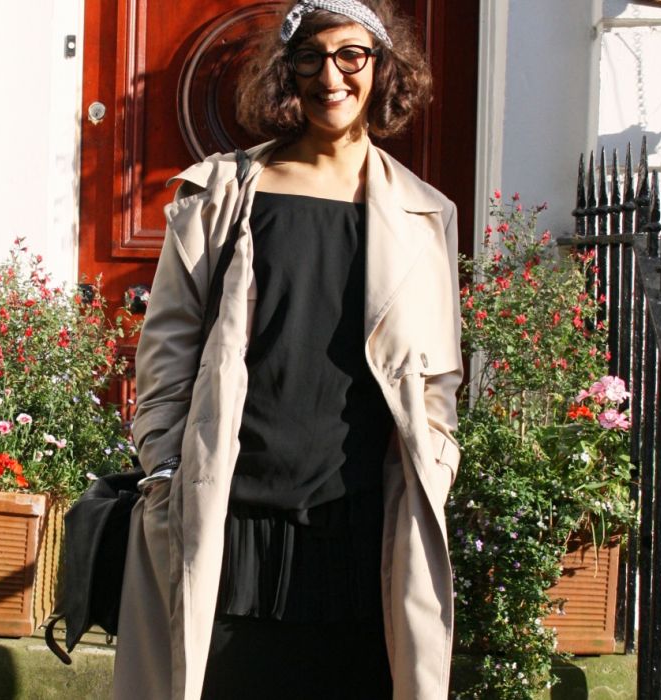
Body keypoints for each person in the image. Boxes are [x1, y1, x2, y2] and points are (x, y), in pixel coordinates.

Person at [112, 1, 462, 698]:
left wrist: (438, 463)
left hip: (361, 522)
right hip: (231, 512)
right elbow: (167, 347)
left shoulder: (425, 213)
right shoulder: (223, 194)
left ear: (383, 68)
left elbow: (437, 374)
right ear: (288, 72)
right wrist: (165, 464)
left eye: (351, 55)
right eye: (311, 58)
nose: (331, 76)